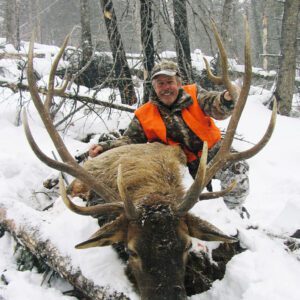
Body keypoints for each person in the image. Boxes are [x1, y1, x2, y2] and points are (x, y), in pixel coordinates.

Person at [89, 60, 250, 217]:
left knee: (237, 169)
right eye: (160, 84)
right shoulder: (145, 114)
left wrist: (226, 98)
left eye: (169, 82)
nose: (166, 88)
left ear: (179, 83)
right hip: (178, 165)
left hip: (213, 153)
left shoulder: (195, 94)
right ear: (154, 87)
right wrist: (106, 146)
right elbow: (129, 141)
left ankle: (232, 216)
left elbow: (216, 106)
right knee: (179, 202)